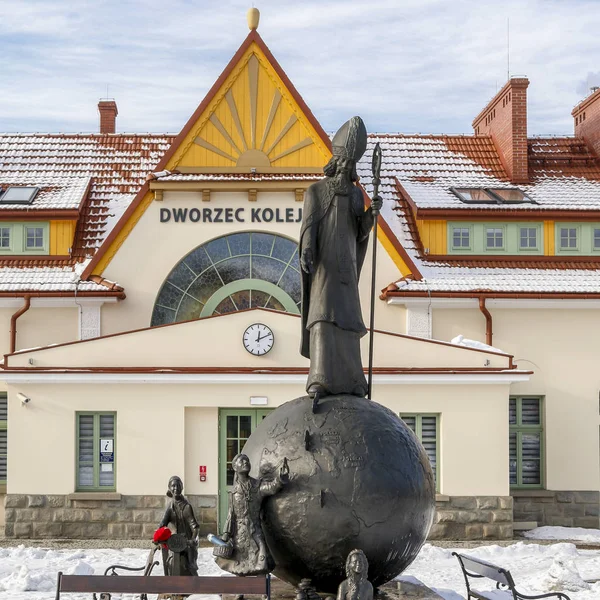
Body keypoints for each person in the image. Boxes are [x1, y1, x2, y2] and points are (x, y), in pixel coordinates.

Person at [299, 116, 382, 401]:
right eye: (342, 163)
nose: (345, 168)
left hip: (346, 266)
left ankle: (353, 379)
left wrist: (370, 216)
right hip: (324, 267)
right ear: (335, 163)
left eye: (350, 165)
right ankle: (319, 379)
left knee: (348, 322)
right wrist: (307, 249)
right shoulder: (316, 191)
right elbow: (309, 226)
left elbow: (360, 233)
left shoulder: (357, 196)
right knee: (322, 319)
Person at [215, 453, 289, 575]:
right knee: (239, 564)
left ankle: (263, 591)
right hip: (239, 533)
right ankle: (240, 591)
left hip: (255, 530)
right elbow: (230, 515)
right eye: (242, 461)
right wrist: (226, 535)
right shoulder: (233, 492)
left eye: (247, 461)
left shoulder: (257, 485)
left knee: (261, 560)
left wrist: (281, 479)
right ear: (235, 467)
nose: (245, 463)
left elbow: (271, 487)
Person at [158, 475, 200, 576]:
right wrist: (158, 536)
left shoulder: (187, 507)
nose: (176, 488)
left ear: (181, 487)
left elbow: (195, 527)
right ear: (169, 488)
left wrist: (193, 539)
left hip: (186, 541)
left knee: (190, 565)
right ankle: (171, 583)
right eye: (173, 486)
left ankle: (195, 582)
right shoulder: (170, 506)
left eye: (178, 485)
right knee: (169, 561)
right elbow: (163, 523)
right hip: (174, 540)